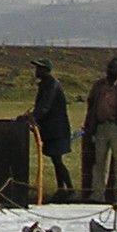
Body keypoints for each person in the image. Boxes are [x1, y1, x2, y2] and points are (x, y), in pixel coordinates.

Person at [81, 55, 117, 204]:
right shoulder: (99, 86)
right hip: (100, 127)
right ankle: (97, 195)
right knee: (100, 163)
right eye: (108, 68)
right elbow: (91, 106)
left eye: (113, 69)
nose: (109, 71)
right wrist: (89, 125)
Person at [28, 57, 73, 194]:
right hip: (51, 129)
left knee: (57, 159)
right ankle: (62, 189)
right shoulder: (45, 84)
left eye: (39, 68)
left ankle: (69, 189)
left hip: (57, 129)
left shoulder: (51, 84)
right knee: (56, 159)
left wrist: (33, 117)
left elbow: (45, 106)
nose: (36, 70)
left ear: (45, 70)